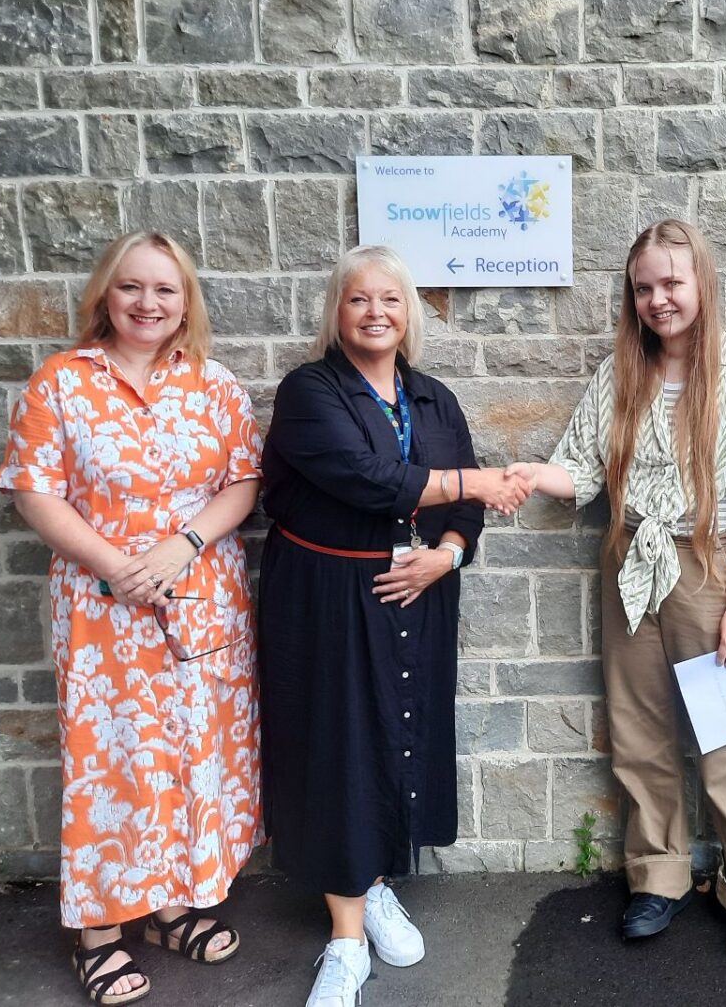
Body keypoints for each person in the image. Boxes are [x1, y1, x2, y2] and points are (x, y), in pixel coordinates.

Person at [508, 219, 726, 964]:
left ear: (701, 282)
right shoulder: (620, 376)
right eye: (644, 287)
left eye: (672, 282)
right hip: (631, 557)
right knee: (640, 728)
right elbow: (584, 471)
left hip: (708, 563)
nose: (659, 299)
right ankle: (658, 875)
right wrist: (536, 475)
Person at [257, 245, 530, 1007]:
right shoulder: (310, 390)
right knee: (337, 744)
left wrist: (447, 554)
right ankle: (345, 937)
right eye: (358, 299)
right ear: (335, 312)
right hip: (328, 590)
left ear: (408, 313)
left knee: (395, 736)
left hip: (417, 590)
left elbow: (464, 514)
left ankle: (373, 883)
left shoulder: (435, 398)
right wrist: (471, 481)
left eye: (391, 299)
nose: (376, 312)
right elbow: (368, 477)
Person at [0, 232, 263, 1006]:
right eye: (132, 288)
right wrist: (117, 565)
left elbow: (242, 480)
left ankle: (170, 905)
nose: (148, 304)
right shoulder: (62, 383)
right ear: (104, 296)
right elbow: (33, 491)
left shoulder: (215, 384)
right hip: (103, 609)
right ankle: (100, 933)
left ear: (187, 303)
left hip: (201, 594)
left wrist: (184, 545)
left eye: (165, 290)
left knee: (188, 752)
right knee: (111, 764)